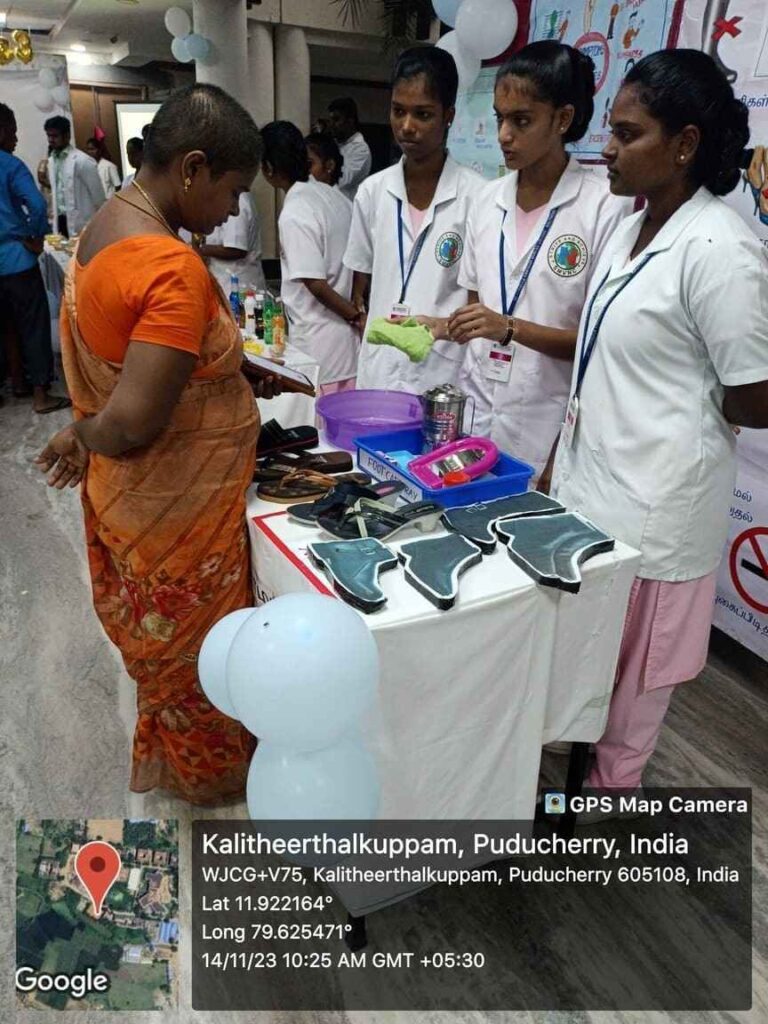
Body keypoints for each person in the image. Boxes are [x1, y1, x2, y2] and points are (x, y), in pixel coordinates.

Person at [35, 84, 282, 805]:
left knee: (174, 653)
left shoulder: (105, 227)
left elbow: (143, 356)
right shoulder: (169, 266)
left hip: (142, 505)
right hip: (176, 517)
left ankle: (190, 765)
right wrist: (81, 433)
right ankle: (214, 785)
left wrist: (230, 370)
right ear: (193, 168)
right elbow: (133, 421)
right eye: (234, 191)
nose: (233, 211)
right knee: (199, 661)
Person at [549, 50, 768, 811]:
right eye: (610, 131)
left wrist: (682, 415)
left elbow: (756, 396)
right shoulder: (629, 227)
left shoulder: (720, 250)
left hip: (658, 515)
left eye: (627, 133)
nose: (606, 149)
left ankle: (606, 823)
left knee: (632, 705)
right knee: (588, 677)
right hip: (597, 497)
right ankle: (571, 795)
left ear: (684, 144)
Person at [418, 42, 631, 481]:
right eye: (500, 118)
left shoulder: (604, 207)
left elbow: (599, 341)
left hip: (548, 424)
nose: (503, 135)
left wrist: (510, 328)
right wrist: (441, 326)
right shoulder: (485, 201)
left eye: (521, 120)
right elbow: (480, 316)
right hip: (478, 413)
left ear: (562, 119)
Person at [344, 46, 483, 392]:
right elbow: (362, 280)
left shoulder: (478, 197)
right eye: (398, 111)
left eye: (423, 114)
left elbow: (479, 301)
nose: (407, 127)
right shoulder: (372, 192)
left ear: (448, 115)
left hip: (443, 371)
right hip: (380, 367)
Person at [262, 121, 359, 394]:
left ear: (268, 168)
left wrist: (356, 317)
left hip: (320, 346)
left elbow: (315, 284)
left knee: (320, 418)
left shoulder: (296, 210)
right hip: (348, 346)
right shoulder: (336, 197)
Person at [0, 103, 69, 413]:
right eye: (13, 133)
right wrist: (34, 235)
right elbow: (38, 205)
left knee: (6, 327)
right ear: (2, 132)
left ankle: (17, 382)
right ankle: (41, 394)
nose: (16, 139)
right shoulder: (10, 165)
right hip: (17, 259)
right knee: (33, 325)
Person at [192, 190, 266, 295]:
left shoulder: (238, 200)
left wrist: (199, 249)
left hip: (238, 288)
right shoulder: (221, 197)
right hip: (224, 284)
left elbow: (236, 249)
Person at [45, 115, 106, 237]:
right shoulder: (51, 161)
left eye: (55, 136)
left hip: (81, 222)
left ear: (67, 136)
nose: (51, 140)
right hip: (60, 220)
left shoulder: (82, 161)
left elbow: (98, 197)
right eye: (49, 136)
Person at [328, 97, 372, 201]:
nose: (331, 125)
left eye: (336, 119)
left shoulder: (361, 149)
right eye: (330, 120)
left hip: (347, 207)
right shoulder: (335, 144)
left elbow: (342, 180)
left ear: (350, 121)